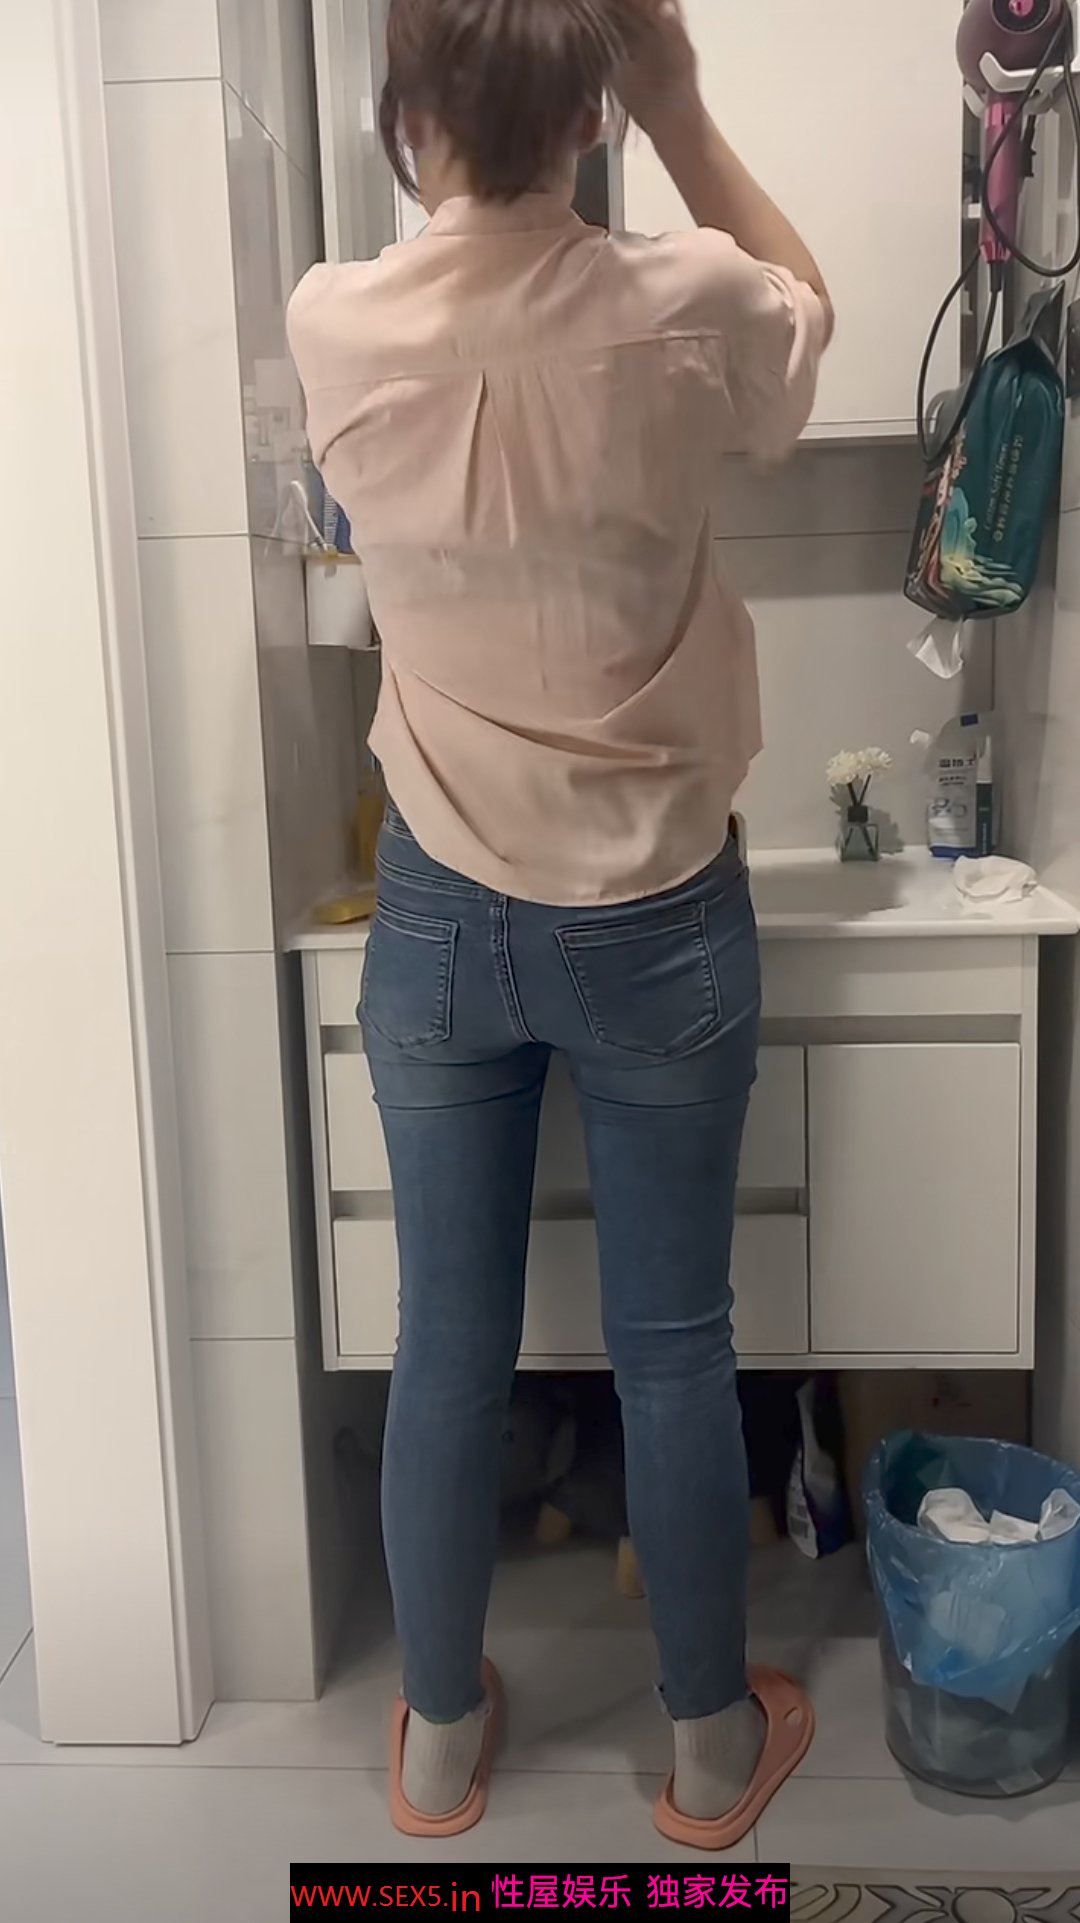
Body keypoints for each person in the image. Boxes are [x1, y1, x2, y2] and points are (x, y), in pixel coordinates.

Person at [288, 0, 832, 1851]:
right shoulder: (692, 305)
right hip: (661, 911)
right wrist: (679, 106)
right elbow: (807, 318)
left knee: (448, 1343)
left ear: (404, 110)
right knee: (674, 1342)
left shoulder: (333, 318)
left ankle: (442, 1747)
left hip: (441, 909)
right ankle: (706, 1754)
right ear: (594, 106)